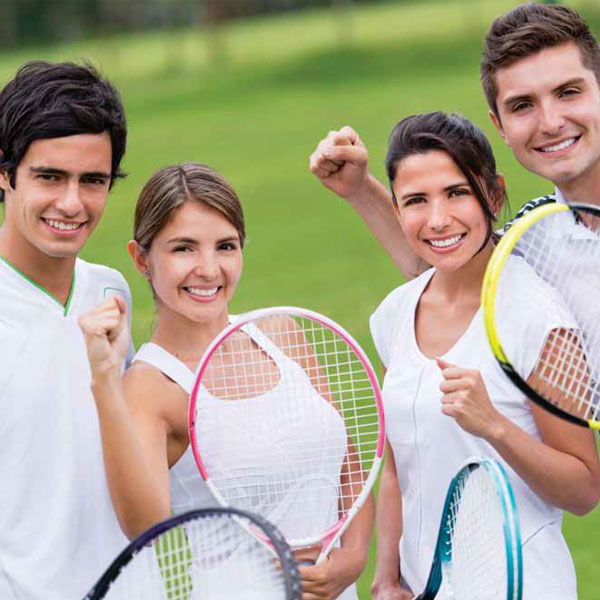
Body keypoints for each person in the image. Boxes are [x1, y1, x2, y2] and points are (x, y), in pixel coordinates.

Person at [77, 162, 373, 600]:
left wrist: (354, 554)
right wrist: (104, 381)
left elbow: (346, 458)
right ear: (142, 259)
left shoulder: (283, 333)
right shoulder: (150, 387)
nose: (208, 269)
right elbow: (146, 526)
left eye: (225, 246)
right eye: (183, 249)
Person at [368, 112, 600, 600]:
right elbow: (394, 469)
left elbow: (584, 489)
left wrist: (494, 425)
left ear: (493, 195)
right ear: (397, 209)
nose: (438, 219)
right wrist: (387, 577)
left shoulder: (536, 315)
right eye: (415, 201)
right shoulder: (394, 315)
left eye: (457, 193)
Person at [309, 2, 600, 279]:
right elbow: (450, 275)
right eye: (522, 105)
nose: (550, 123)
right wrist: (359, 189)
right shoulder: (532, 237)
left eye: (568, 92)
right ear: (500, 125)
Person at [0, 61, 131, 599]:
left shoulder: (112, 290)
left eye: (93, 181)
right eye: (49, 177)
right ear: (4, 175)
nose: (72, 204)